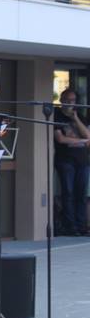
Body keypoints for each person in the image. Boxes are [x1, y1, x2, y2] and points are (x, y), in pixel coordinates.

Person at [54, 88, 90, 236]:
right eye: (67, 101)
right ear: (62, 101)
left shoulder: (79, 116)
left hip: (82, 161)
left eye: (73, 101)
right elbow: (61, 139)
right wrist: (82, 140)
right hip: (65, 160)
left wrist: (75, 119)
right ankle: (70, 227)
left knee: (81, 194)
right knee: (68, 193)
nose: (70, 104)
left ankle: (81, 225)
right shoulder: (56, 115)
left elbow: (88, 135)